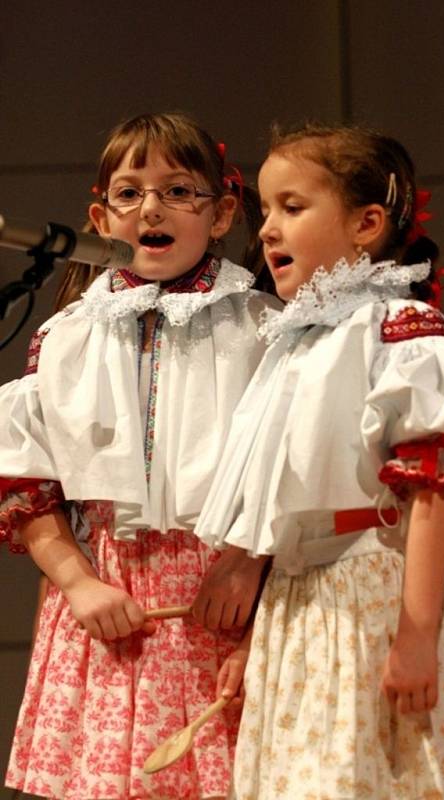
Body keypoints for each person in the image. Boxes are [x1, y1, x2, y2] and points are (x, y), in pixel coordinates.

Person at [196, 123, 444, 799]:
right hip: (299, 602)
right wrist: (253, 640)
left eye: (292, 208)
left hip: (368, 595)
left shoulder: (395, 331)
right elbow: (282, 503)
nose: (267, 229)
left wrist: (417, 634)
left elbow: (431, 490)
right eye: (265, 210)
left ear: (367, 224)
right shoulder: (297, 344)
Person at [0, 112, 280, 800]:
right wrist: (78, 583)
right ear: (100, 216)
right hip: (105, 603)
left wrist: (246, 565)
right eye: (130, 193)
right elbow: (26, 487)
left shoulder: (262, 328)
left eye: (179, 190)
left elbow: (291, 470)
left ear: (222, 214)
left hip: (226, 599)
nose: (151, 208)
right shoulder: (63, 337)